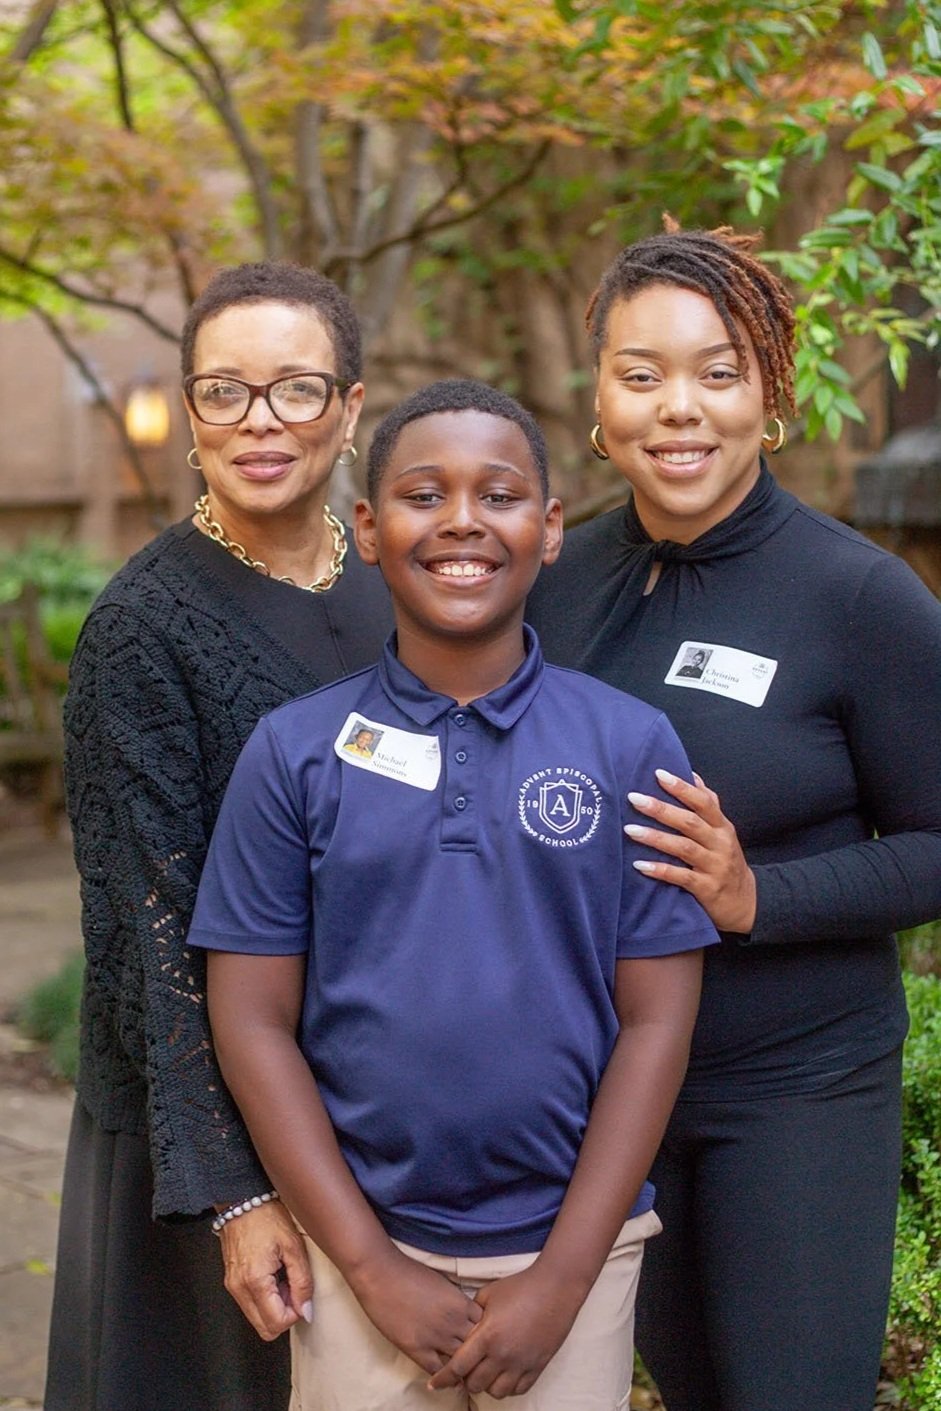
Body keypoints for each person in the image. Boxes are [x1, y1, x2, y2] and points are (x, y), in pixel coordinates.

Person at [186, 379, 719, 1411]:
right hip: (355, 1251)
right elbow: (250, 1019)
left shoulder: (629, 744)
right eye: (424, 495)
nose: (463, 520)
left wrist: (562, 1278)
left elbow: (657, 1020)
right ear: (368, 529)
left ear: (549, 528)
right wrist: (370, 1265)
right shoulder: (294, 752)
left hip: (576, 1256)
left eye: (499, 494)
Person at [526, 220, 941, 1411]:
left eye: (717, 372)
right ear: (598, 400)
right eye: (640, 374)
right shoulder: (553, 583)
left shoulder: (856, 595)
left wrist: (756, 894)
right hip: (604, 1093)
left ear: (769, 396)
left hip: (793, 1087)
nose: (678, 409)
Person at [45, 262, 393, 1411]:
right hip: (202, 1127)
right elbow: (148, 934)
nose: (259, 422)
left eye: (295, 388)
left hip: (374, 1095)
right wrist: (235, 1193)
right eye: (223, 391)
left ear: (349, 404)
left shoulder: (398, 583)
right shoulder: (140, 627)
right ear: (192, 412)